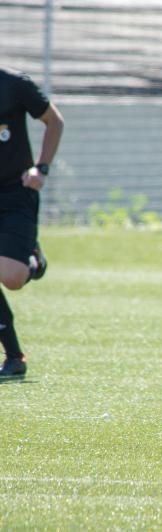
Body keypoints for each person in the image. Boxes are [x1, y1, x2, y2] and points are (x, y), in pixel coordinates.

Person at [0, 67, 64, 377]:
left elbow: (54, 121)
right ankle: (14, 358)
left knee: (12, 278)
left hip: (15, 193)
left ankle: (30, 256)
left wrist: (42, 169)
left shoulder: (14, 85)